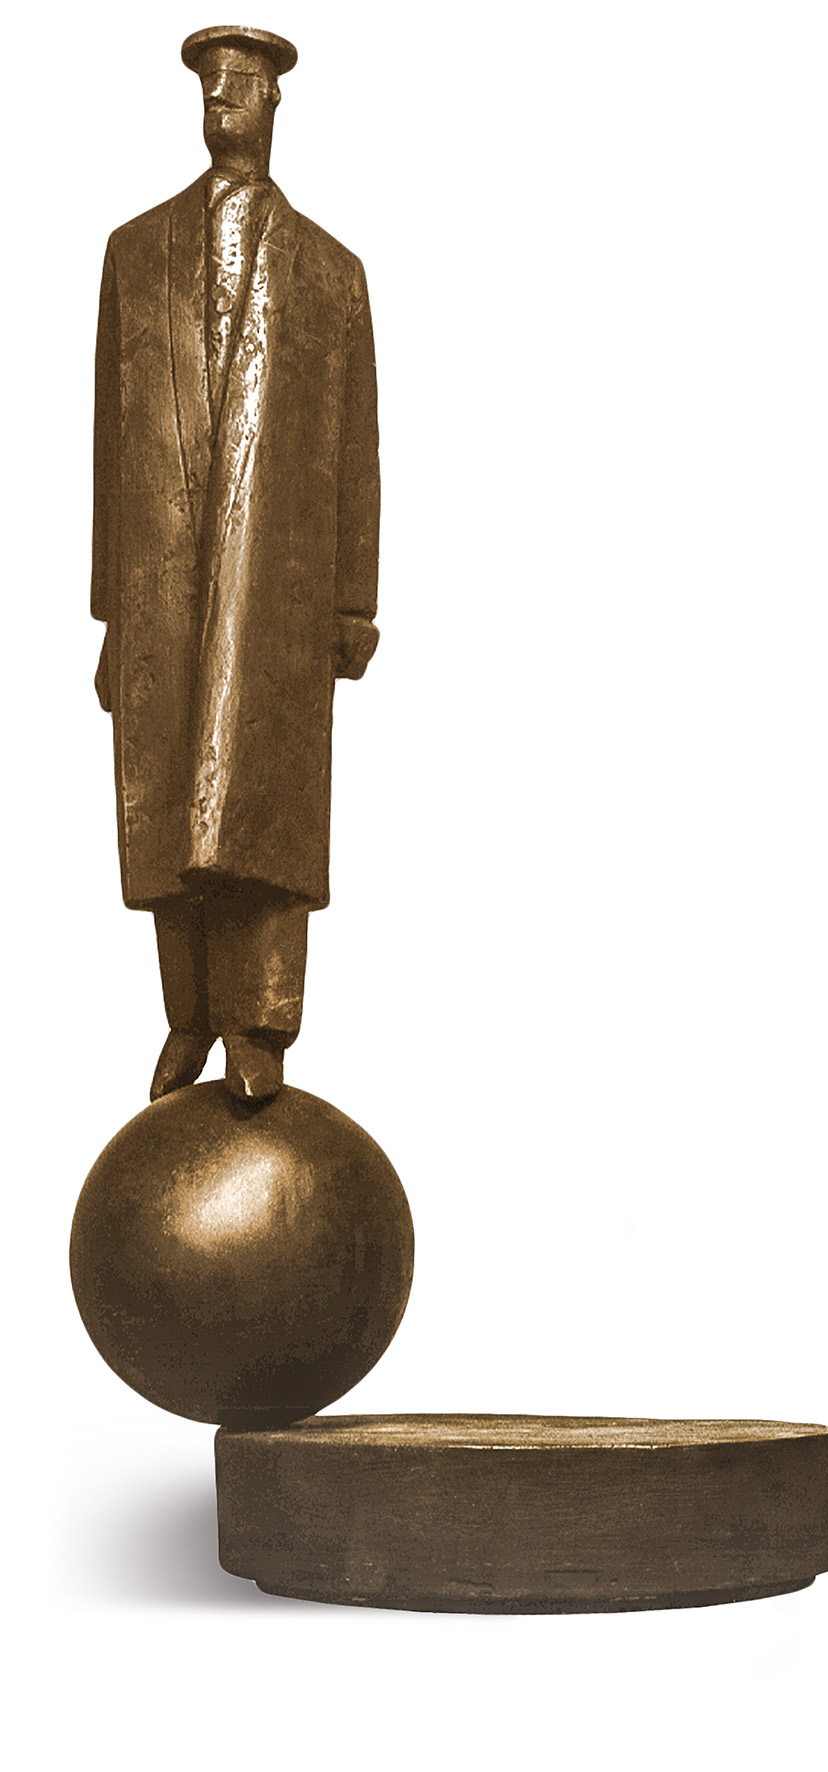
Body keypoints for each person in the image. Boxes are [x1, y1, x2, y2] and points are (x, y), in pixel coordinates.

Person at [91, 26, 380, 1101]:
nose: (224, 101)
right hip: (163, 577)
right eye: (210, 87)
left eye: (241, 87)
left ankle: (257, 1023)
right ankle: (187, 1016)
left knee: (265, 807)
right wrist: (109, 611)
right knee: (168, 802)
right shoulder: (135, 254)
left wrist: (351, 603)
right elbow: (108, 448)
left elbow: (357, 451)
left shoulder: (330, 275)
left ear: (272, 102)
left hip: (276, 588)